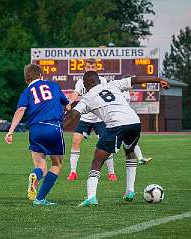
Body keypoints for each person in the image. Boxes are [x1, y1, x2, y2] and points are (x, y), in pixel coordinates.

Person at [64, 71, 169, 206]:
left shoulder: (87, 97)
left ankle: (91, 197)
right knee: (130, 152)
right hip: (134, 122)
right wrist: (159, 79)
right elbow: (136, 79)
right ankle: (130, 191)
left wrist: (58, 128)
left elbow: (73, 114)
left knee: (97, 160)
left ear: (85, 84)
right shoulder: (113, 85)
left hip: (116, 125)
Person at [5, 64, 69, 206]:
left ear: (26, 79)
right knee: (57, 164)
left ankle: (36, 175)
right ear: (41, 75)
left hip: (35, 129)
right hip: (52, 126)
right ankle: (40, 199)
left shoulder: (26, 91)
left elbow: (20, 110)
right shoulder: (53, 86)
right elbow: (67, 104)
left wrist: (10, 131)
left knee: (40, 165)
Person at [66, 58, 117, 181]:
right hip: (85, 118)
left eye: (93, 67)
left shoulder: (103, 81)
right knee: (75, 141)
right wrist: (68, 102)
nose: (90, 69)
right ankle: (73, 172)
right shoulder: (80, 82)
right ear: (85, 68)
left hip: (100, 118)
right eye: (88, 67)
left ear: (97, 68)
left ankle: (111, 173)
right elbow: (75, 93)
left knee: (106, 144)